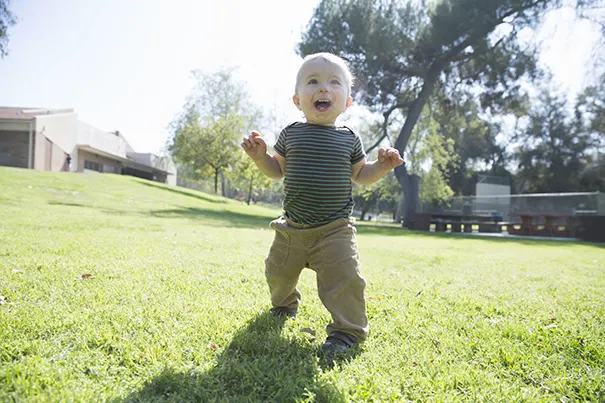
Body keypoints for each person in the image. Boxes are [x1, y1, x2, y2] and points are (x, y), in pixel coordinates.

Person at [241, 52, 404, 354]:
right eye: (313, 81)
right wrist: (260, 157)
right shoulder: (291, 134)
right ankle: (285, 304)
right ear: (297, 100)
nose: (324, 88)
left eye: (334, 83)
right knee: (277, 273)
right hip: (291, 229)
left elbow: (361, 175)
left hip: (335, 230)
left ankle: (347, 332)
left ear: (347, 102)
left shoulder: (349, 139)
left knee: (345, 280)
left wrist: (381, 167)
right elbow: (276, 171)